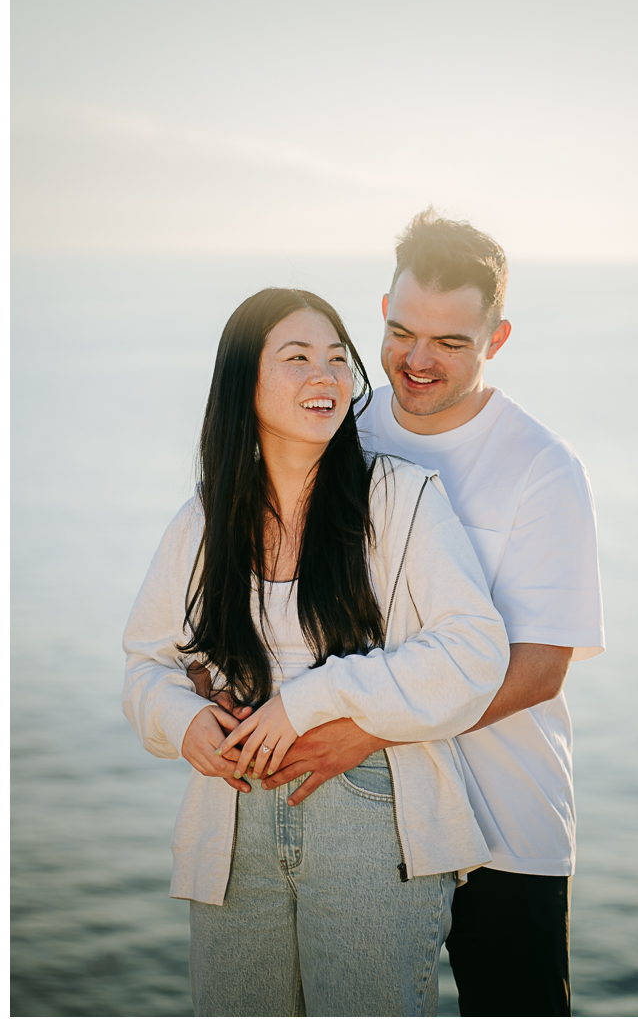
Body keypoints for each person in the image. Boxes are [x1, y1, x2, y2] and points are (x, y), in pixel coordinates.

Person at [122, 287, 510, 1017]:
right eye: (296, 358)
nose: (325, 377)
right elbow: (146, 665)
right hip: (232, 815)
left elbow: (474, 652)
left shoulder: (401, 498)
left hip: (374, 808)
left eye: (337, 359)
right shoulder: (206, 518)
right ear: (246, 381)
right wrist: (187, 724)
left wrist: (310, 698)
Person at [260, 212, 605, 1017]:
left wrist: (370, 729)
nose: (417, 361)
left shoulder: (542, 469)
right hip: (368, 813)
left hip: (504, 822)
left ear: (499, 335)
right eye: (401, 331)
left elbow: (540, 667)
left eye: (451, 343)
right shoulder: (340, 429)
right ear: (381, 308)